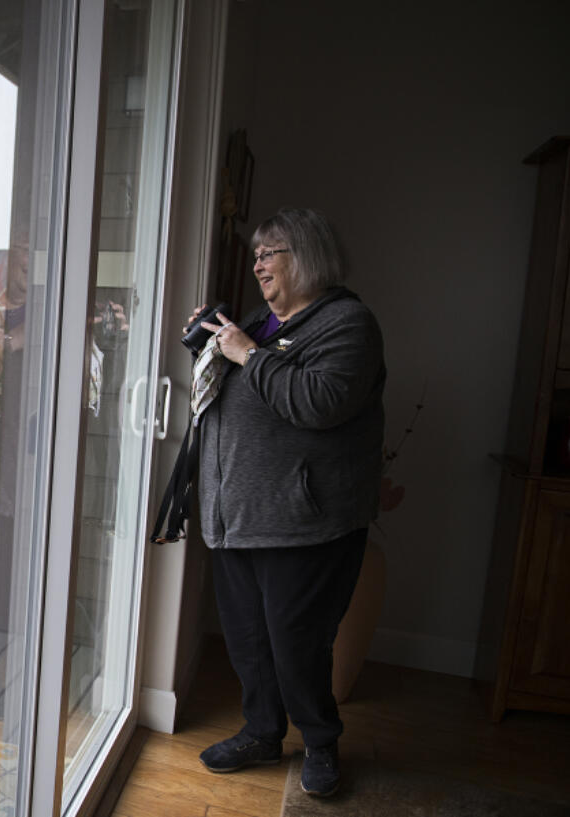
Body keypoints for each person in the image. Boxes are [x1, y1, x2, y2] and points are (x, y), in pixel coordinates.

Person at [189, 207, 385, 797]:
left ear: (307, 256)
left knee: (297, 645)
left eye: (268, 253)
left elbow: (318, 402)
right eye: (255, 255)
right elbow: (231, 394)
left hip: (305, 523)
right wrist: (210, 343)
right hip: (238, 516)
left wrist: (246, 353)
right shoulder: (261, 323)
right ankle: (262, 733)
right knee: (247, 640)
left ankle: (321, 744)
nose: (257, 265)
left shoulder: (347, 324)